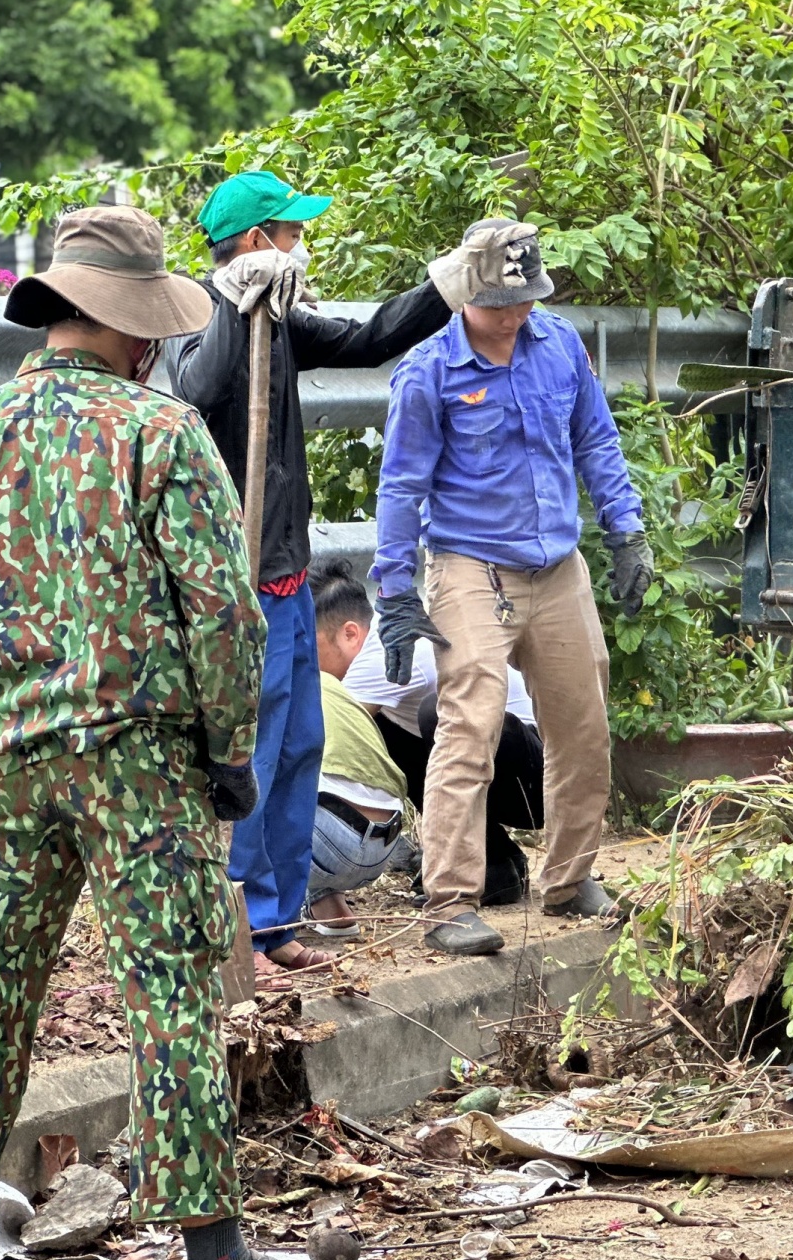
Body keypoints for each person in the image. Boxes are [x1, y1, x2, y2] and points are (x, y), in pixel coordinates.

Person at [0, 205, 338, 1260]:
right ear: (131, 330)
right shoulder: (158, 433)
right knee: (171, 996)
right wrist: (229, 753)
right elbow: (222, 616)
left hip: (4, 763)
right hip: (137, 765)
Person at [170, 172, 532, 975]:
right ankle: (234, 930)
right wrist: (236, 299)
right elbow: (194, 388)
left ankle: (275, 919)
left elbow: (370, 338)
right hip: (237, 582)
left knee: (299, 744)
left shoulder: (283, 320)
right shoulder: (196, 310)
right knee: (251, 754)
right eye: (289, 232)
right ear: (257, 240)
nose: (300, 244)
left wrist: (448, 281)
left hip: (289, 574)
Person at [373, 220, 654, 957]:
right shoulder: (429, 372)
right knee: (471, 724)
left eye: (524, 299)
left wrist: (627, 531)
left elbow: (596, 438)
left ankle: (569, 879)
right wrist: (397, 590)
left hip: (557, 566)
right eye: (500, 302)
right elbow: (401, 488)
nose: (514, 314)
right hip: (470, 566)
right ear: (467, 293)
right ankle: (451, 900)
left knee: (582, 723)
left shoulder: (559, 344)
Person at [343, 624, 544, 908]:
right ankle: (496, 859)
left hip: (536, 781)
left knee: (440, 712)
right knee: (385, 725)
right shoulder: (371, 641)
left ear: (347, 632)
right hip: (497, 770)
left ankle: (478, 863)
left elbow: (331, 742)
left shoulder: (387, 645)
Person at [303, 560, 410, 937]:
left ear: (350, 633)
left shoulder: (301, 671)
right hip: (385, 842)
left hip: (336, 841)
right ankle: (329, 905)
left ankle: (261, 914)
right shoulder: (394, 632)